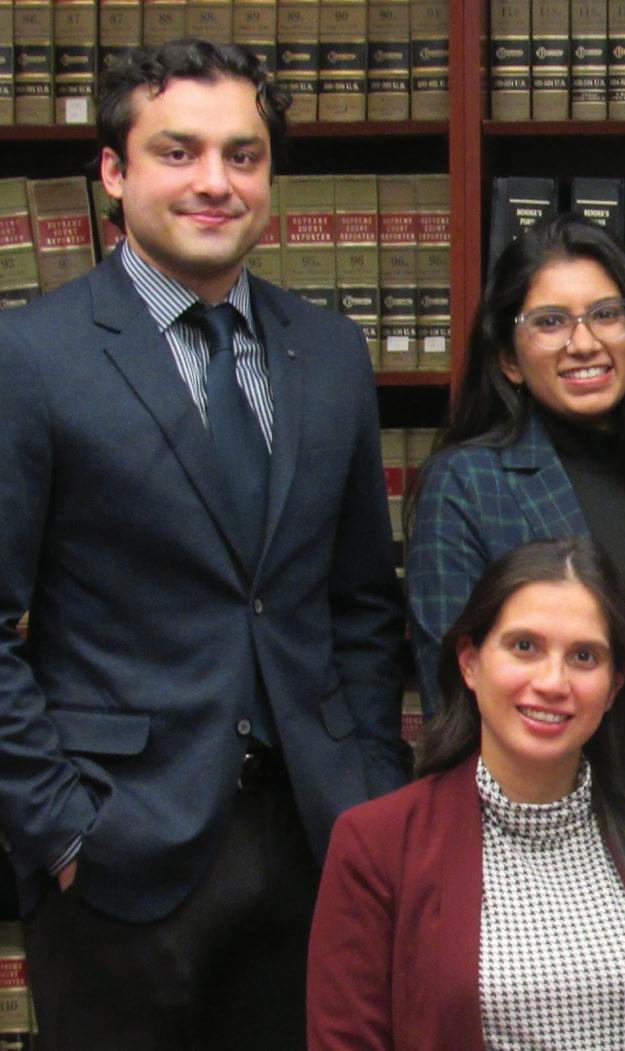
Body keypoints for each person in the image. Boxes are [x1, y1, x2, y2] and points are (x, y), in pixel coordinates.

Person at [0, 39, 408, 1050]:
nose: (215, 182)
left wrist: (365, 786)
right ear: (114, 170)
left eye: (243, 155)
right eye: (178, 152)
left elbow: (361, 599)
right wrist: (60, 829)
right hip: (116, 853)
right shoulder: (32, 357)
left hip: (311, 841)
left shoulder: (331, 352)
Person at [309, 538, 625, 1050]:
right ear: (470, 662)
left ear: (615, 686)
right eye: (524, 647)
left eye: (584, 657)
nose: (552, 682)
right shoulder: (376, 845)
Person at [408, 212, 625, 778]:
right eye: (550, 322)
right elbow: (451, 703)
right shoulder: (466, 486)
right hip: (524, 818)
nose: (584, 343)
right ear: (509, 360)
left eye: (606, 315)